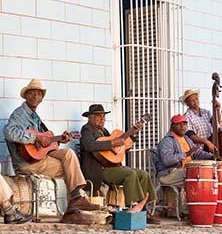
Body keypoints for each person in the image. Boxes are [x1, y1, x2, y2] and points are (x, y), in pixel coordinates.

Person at [4, 79, 99, 224]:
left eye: (39, 94)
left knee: (69, 154)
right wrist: (34, 137)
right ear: (26, 95)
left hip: (38, 158)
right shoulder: (19, 114)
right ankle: (74, 205)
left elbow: (45, 143)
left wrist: (60, 139)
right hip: (26, 163)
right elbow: (9, 132)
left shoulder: (35, 117)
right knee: (69, 169)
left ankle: (76, 200)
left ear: (42, 98)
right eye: (32, 93)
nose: (36, 96)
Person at [79, 104, 159, 223]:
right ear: (90, 117)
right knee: (130, 174)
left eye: (103, 116)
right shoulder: (87, 130)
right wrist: (112, 143)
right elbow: (89, 145)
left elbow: (118, 149)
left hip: (111, 167)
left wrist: (132, 134)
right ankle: (132, 208)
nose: (102, 119)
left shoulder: (104, 131)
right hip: (97, 170)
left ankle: (144, 209)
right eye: (98, 116)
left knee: (143, 174)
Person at [153, 114, 213, 185]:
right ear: (172, 126)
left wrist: (211, 156)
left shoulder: (186, 139)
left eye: (184, 124)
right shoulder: (167, 141)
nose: (182, 127)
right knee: (196, 174)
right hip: (169, 173)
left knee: (208, 171)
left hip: (185, 170)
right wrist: (186, 154)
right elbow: (167, 160)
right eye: (179, 124)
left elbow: (197, 153)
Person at [179, 88, 221, 153]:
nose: (195, 101)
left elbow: (217, 124)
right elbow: (191, 136)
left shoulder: (206, 112)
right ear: (187, 103)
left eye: (196, 99)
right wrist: (206, 142)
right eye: (192, 100)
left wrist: (218, 110)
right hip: (198, 151)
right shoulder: (186, 116)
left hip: (212, 146)